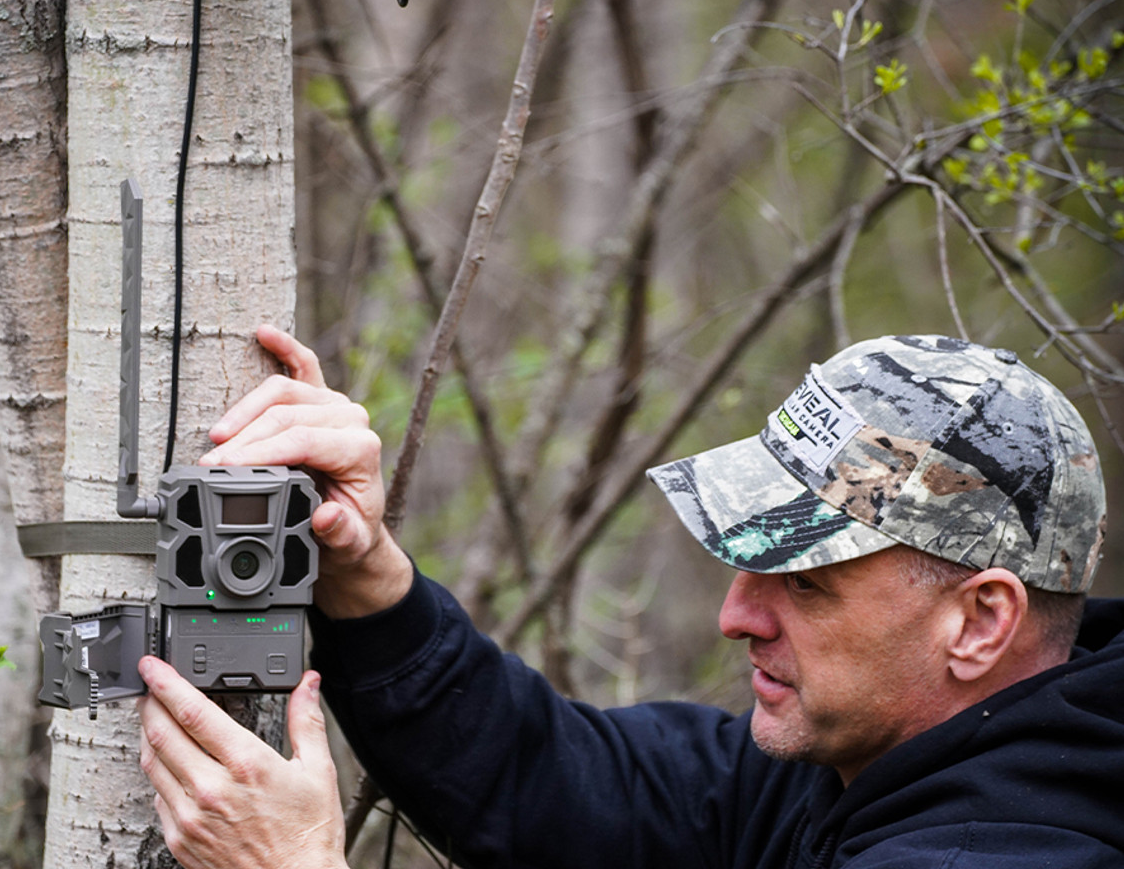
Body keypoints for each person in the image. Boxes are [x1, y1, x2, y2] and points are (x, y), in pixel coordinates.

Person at [138, 327, 1124, 869]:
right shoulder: (864, 757)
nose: (737, 616)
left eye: (807, 584)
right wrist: (365, 574)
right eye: (744, 564)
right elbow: (558, 783)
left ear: (980, 618)